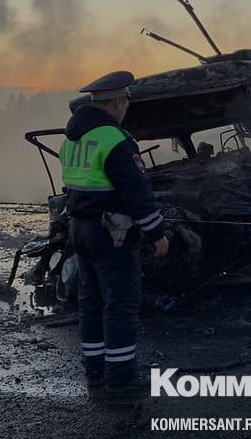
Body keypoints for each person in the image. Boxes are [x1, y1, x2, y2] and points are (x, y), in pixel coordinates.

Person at [59, 70, 169, 400]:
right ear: (118, 102)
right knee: (121, 303)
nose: (126, 108)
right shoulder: (115, 139)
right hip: (111, 233)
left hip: (80, 229)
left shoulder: (72, 138)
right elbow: (136, 192)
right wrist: (157, 233)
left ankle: (95, 374)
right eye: (126, 102)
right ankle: (121, 380)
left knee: (90, 301)